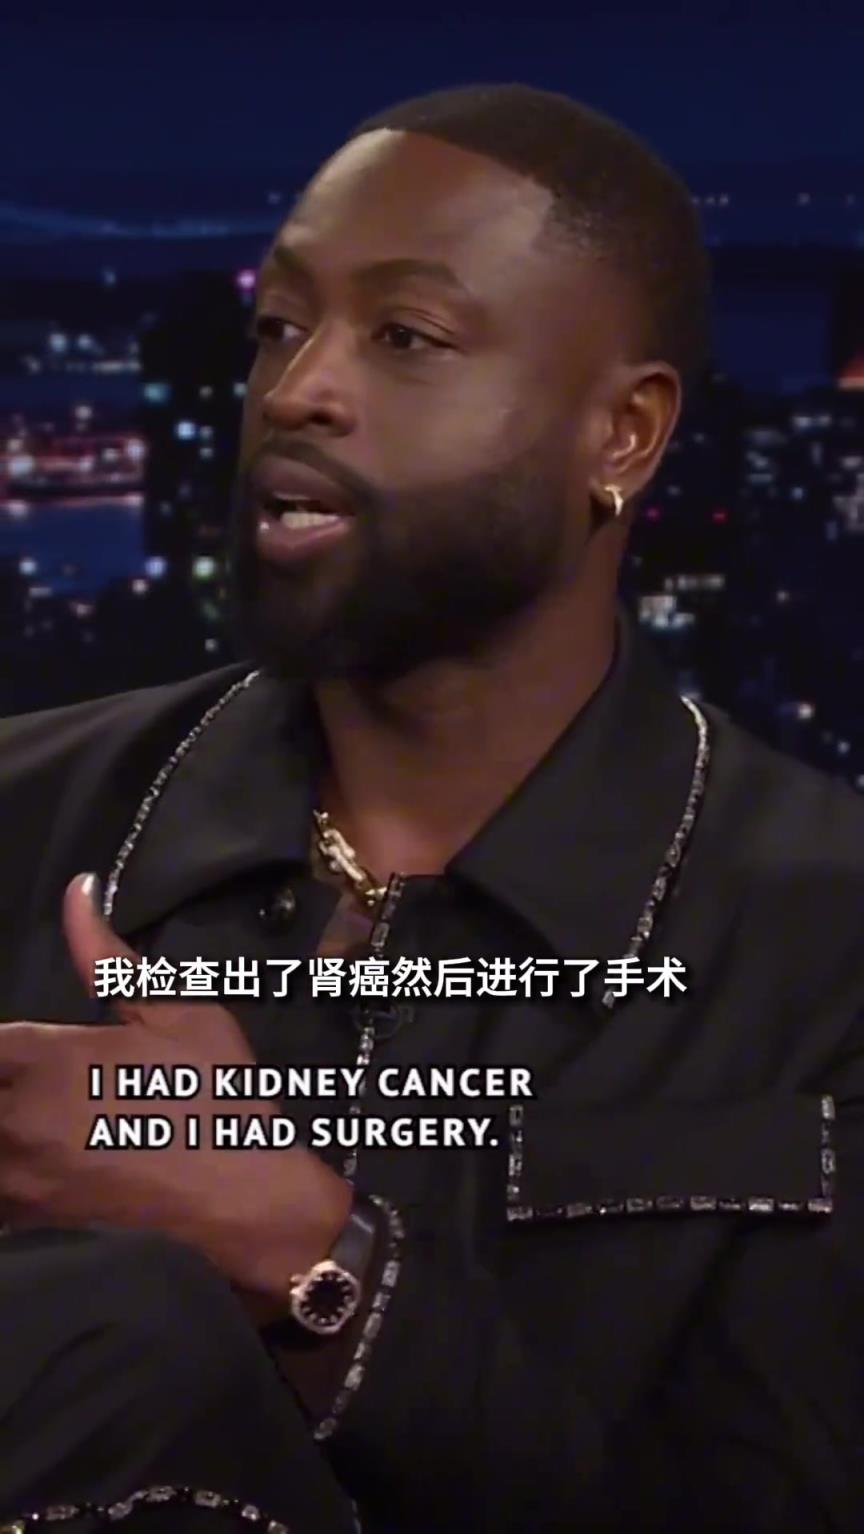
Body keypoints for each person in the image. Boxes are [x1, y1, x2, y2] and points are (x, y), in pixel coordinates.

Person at [0, 81, 863, 1534]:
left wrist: (313, 1261)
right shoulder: (26, 818)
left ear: (623, 434)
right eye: (280, 325)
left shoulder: (828, 947)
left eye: (404, 336)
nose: (298, 389)